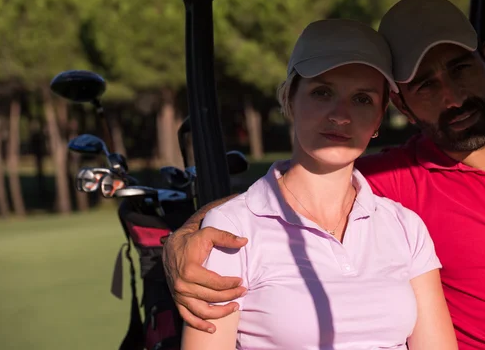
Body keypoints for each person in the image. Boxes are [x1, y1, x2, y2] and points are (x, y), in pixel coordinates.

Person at [164, 0, 485, 349]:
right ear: (401, 106)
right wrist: (183, 239)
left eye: (460, 68)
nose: (452, 97)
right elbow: (292, 191)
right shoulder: (395, 179)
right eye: (425, 84)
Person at [180, 18, 457, 349]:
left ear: (380, 117)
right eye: (322, 92)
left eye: (362, 99)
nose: (341, 115)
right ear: (290, 99)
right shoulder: (233, 228)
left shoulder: (405, 227)